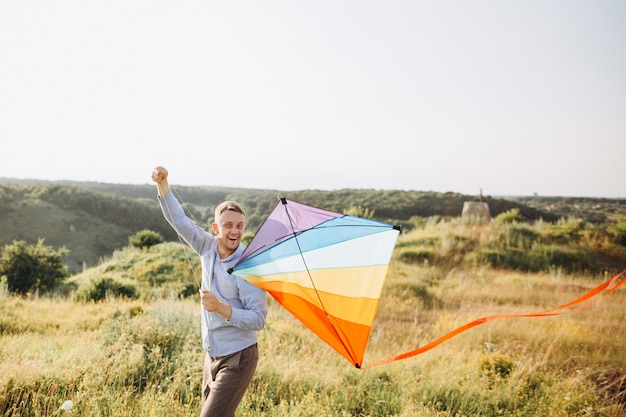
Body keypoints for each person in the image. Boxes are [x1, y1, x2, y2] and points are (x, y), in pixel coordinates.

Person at [151, 165, 268, 417]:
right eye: (228, 226)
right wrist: (163, 184)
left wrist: (221, 308)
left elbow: (258, 319)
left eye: (239, 226)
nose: (234, 231)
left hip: (238, 356)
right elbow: (179, 221)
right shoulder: (207, 246)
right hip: (212, 355)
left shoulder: (249, 265)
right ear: (216, 229)